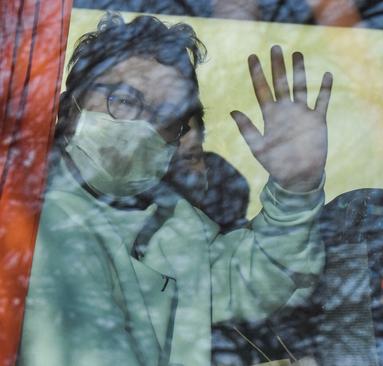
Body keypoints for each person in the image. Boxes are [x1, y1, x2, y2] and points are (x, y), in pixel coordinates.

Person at [19, 13, 333, 366]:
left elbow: (260, 277)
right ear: (68, 108)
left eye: (167, 118)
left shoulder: (176, 226)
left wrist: (295, 189)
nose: (143, 129)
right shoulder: (28, 217)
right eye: (123, 100)